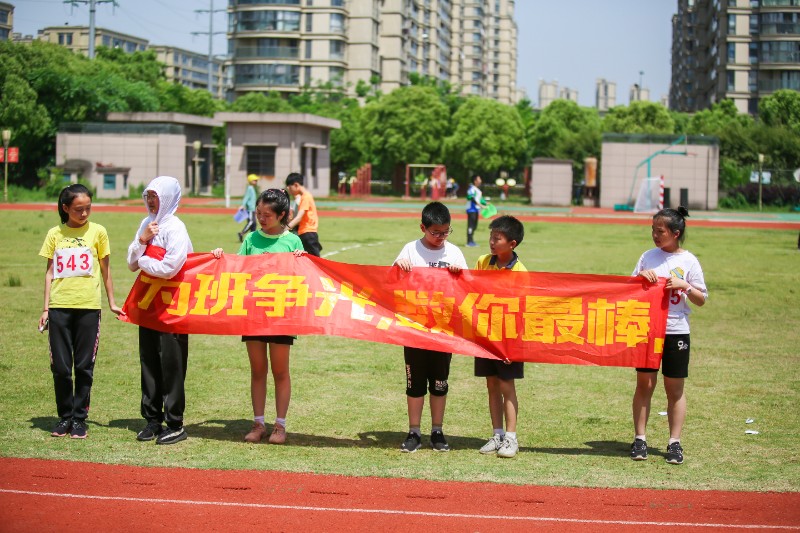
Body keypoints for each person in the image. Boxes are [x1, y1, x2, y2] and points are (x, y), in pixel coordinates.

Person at [212, 189, 303, 445]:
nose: (261, 218)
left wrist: (301, 259)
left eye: (267, 215)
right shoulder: (251, 238)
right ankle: (258, 423)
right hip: (253, 314)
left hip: (281, 316)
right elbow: (236, 269)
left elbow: (303, 277)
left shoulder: (293, 242)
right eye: (258, 213)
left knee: (280, 371)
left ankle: (280, 426)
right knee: (257, 370)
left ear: (282, 215)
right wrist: (221, 258)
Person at [38, 184, 124, 439]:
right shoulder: (55, 234)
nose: (84, 213)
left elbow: (106, 270)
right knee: (62, 368)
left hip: (88, 307)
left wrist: (111, 301)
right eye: (78, 209)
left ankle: (79, 419)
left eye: (88, 208)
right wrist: (45, 308)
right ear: (65, 208)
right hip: (59, 308)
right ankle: (64, 417)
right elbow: (50, 273)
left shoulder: (98, 232)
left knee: (84, 366)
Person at [630, 206, 707, 465]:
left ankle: (674, 442)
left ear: (676, 233)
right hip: (648, 331)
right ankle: (640, 439)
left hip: (676, 331)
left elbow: (701, 300)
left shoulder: (689, 261)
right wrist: (640, 277)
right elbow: (629, 291)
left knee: (674, 389)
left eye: (660, 231)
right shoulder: (647, 257)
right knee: (645, 385)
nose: (655, 235)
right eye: (652, 230)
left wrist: (685, 286)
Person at [393, 201, 468, 452]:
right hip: (414, 330)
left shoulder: (454, 252)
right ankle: (414, 431)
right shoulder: (410, 250)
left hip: (443, 331)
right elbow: (392, 282)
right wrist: (399, 267)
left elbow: (469, 289)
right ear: (422, 227)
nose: (440, 237)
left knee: (439, 382)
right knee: (414, 384)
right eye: (435, 232)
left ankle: (437, 430)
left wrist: (460, 275)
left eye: (445, 232)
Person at [126, 176, 193, 445]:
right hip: (148, 306)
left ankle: (175, 423)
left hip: (173, 307)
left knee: (172, 365)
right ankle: (152, 419)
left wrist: (142, 259)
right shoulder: (147, 224)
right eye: (148, 196)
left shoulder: (176, 228)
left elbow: (171, 267)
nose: (151, 201)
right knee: (149, 361)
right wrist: (142, 242)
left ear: (168, 198)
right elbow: (130, 262)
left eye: (156, 196)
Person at [474, 215, 526, 458]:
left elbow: (522, 311)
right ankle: (497, 435)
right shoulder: (483, 261)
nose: (492, 242)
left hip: (509, 338)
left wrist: (511, 346)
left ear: (512, 244)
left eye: (498, 238)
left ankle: (511, 438)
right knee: (491, 384)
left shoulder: (520, 271)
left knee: (507, 386)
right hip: (486, 335)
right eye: (491, 237)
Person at [285, 173, 322, 256]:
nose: (289, 190)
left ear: (296, 185)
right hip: (306, 233)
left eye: (290, 187)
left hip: (308, 233)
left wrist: (285, 229)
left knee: (315, 262)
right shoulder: (305, 196)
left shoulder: (305, 197)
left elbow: (299, 217)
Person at [465, 175, 487, 247]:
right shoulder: (472, 189)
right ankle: (469, 242)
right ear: (475, 181)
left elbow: (480, 199)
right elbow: (472, 198)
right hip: (471, 209)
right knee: (471, 226)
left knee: (474, 226)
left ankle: (471, 241)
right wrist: (481, 205)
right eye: (479, 179)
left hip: (476, 210)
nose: (480, 180)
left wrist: (486, 203)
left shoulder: (478, 190)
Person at [237, 174, 259, 243]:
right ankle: (241, 233)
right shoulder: (249, 188)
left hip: (253, 209)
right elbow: (246, 197)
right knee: (251, 222)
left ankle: (253, 237)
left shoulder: (252, 188)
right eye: (255, 180)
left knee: (254, 224)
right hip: (250, 209)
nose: (256, 182)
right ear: (250, 181)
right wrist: (243, 205)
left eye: (256, 180)